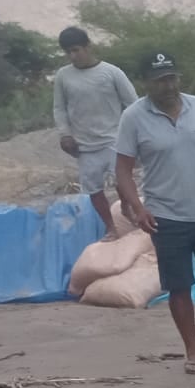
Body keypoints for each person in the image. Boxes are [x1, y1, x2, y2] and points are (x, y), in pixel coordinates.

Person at [114, 52, 195, 375]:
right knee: (179, 285)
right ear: (146, 83)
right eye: (160, 80)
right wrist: (139, 207)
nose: (168, 85)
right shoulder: (133, 117)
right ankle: (191, 347)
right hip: (165, 217)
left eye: (172, 78)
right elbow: (123, 170)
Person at [53, 27, 137, 236]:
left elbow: (132, 104)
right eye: (68, 52)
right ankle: (110, 226)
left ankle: (129, 208)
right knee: (94, 189)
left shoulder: (111, 72)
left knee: (123, 180)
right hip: (83, 144)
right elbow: (59, 107)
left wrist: (133, 134)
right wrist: (65, 134)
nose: (73, 56)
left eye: (76, 50)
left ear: (88, 46)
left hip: (114, 139)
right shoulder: (63, 76)